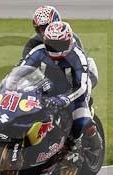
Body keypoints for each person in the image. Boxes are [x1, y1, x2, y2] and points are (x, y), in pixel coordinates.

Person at [21, 21, 101, 150]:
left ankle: (91, 137)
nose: (56, 49)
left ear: (70, 41)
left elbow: (82, 86)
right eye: (52, 44)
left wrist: (66, 98)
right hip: (47, 89)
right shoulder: (38, 52)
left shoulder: (77, 56)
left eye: (60, 44)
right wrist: (5, 87)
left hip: (73, 90)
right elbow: (21, 70)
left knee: (82, 120)